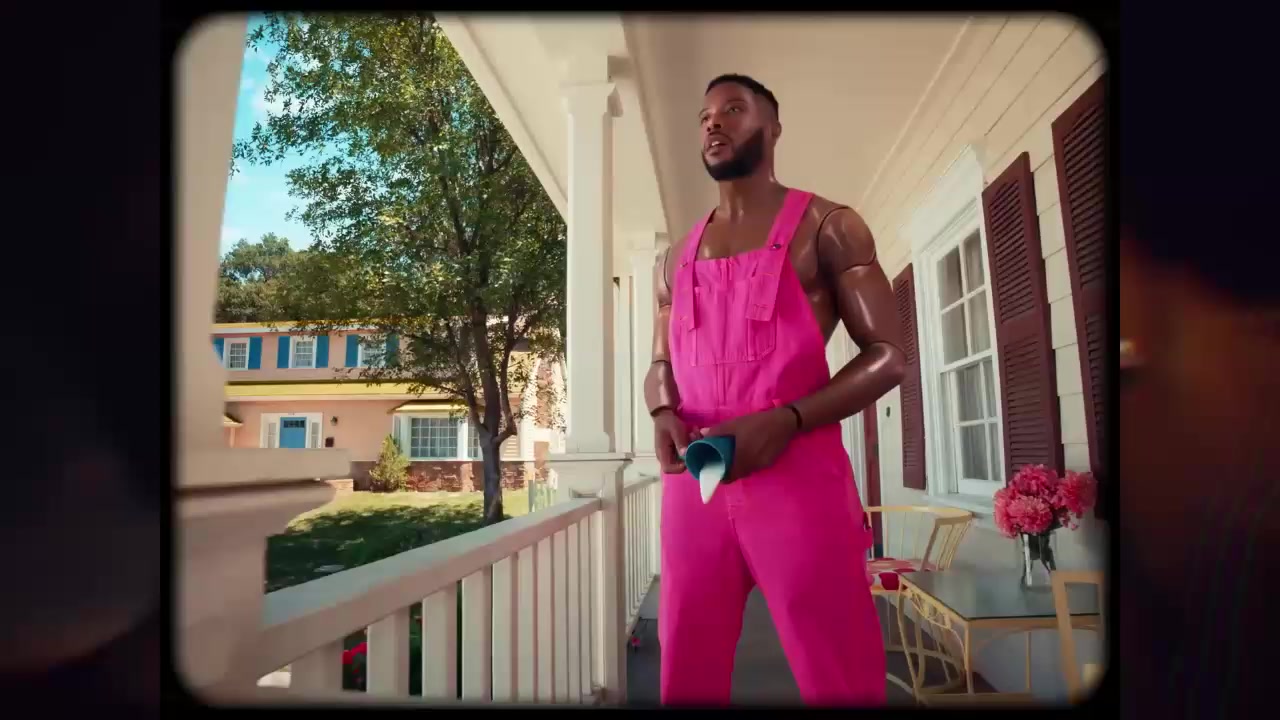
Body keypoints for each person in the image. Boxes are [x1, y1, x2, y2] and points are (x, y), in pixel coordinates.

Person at [644, 74, 906, 706]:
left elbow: (889, 356)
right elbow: (660, 362)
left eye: (734, 109)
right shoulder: (674, 257)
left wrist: (787, 419)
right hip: (695, 486)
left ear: (774, 127)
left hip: (800, 479)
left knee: (839, 670)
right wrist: (661, 409)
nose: (714, 122)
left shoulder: (830, 226)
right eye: (705, 115)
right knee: (685, 667)